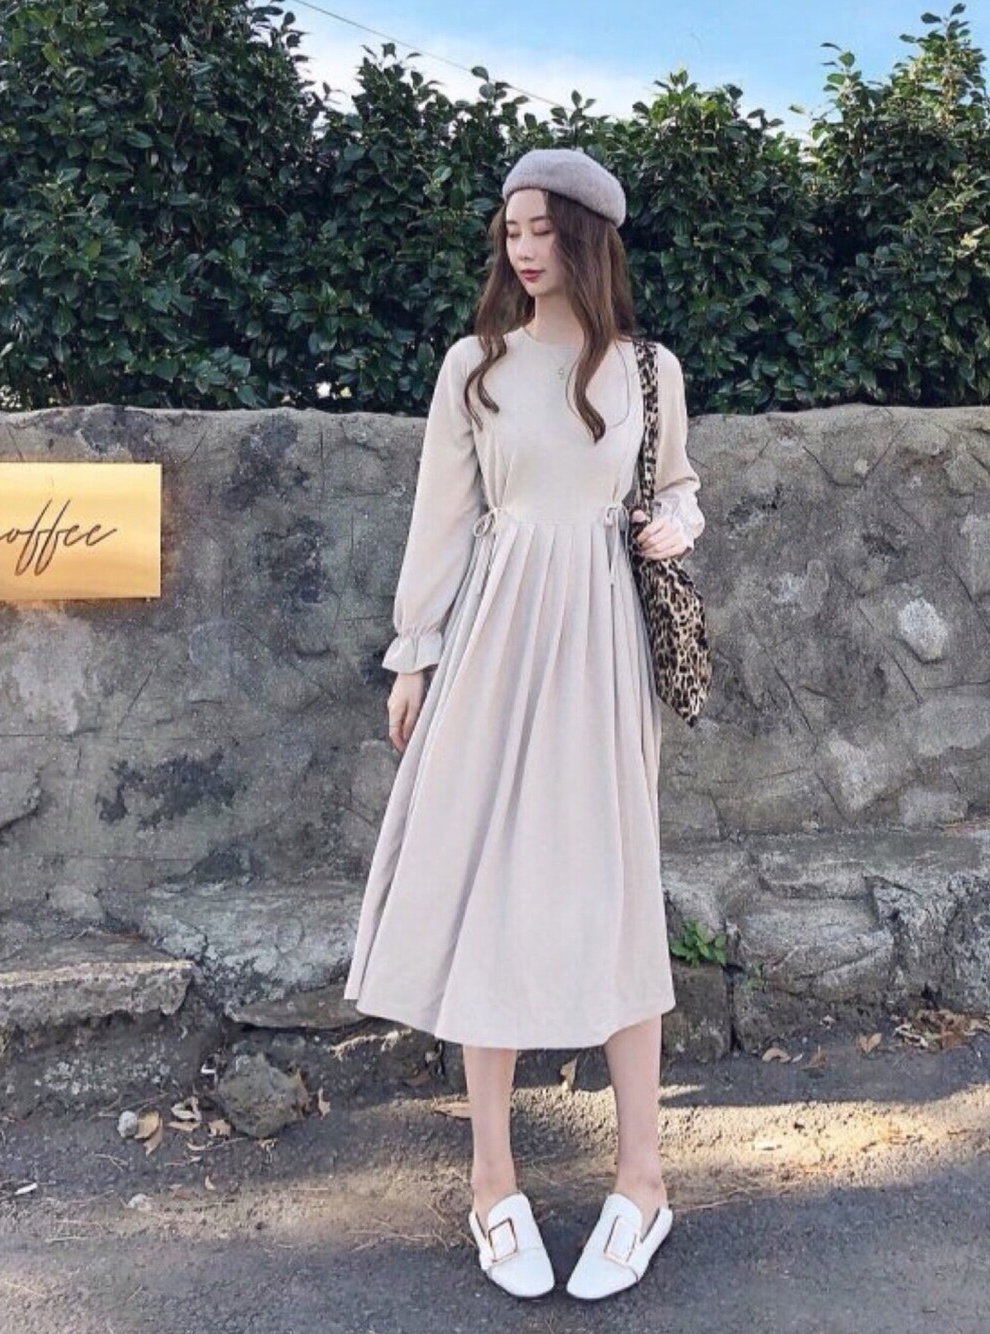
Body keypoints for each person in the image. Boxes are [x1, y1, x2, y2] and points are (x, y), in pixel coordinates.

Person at [343, 146, 705, 1302]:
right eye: (512, 228)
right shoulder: (477, 365)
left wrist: (676, 523)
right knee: (488, 887)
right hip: (493, 640)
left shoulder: (649, 370)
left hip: (602, 644)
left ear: (588, 238)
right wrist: (413, 652)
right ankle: (490, 1177)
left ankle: (642, 1179)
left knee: (614, 890)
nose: (524, 245)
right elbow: (441, 519)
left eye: (544, 227)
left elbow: (676, 484)